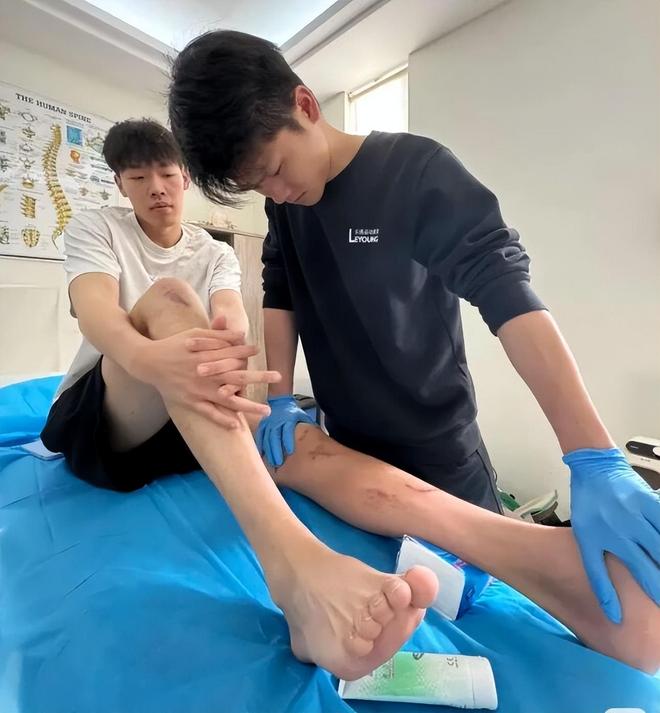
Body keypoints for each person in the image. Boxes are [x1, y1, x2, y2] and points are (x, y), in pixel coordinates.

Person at [167, 30, 660, 624]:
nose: (278, 192)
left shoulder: (415, 172)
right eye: (258, 187)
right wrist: (278, 397)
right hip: (348, 451)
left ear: (305, 105)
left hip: (440, 455)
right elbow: (281, 289)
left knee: (553, 609)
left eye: (275, 169)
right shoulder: (285, 206)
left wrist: (590, 451)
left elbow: (506, 292)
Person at [39, 118, 439, 682]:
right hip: (103, 420)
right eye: (139, 177)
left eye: (167, 174)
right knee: (170, 298)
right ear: (120, 184)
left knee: (296, 437)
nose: (156, 188)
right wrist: (155, 359)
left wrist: (236, 360)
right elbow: (97, 313)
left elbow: (230, 315)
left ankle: (528, 553)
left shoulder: (212, 250)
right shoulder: (96, 227)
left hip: (181, 417)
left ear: (185, 178)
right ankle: (293, 574)